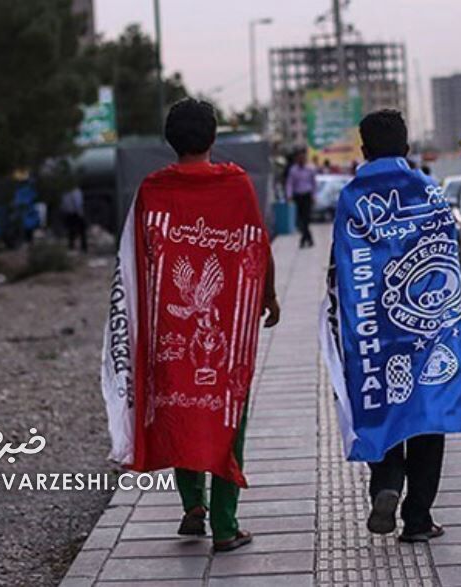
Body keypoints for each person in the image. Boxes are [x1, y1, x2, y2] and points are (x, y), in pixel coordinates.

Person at [101, 98, 280, 553]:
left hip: (169, 330)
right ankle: (224, 524)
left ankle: (192, 507)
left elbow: (134, 259)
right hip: (225, 333)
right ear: (214, 137)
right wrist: (269, 295)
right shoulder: (235, 185)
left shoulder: (152, 190)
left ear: (169, 141)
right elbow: (255, 244)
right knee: (223, 413)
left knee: (180, 405)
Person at [321, 110, 461, 543]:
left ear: (364, 150)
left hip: (374, 332)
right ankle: (419, 518)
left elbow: (342, 268)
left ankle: (386, 479)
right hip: (429, 329)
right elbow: (447, 256)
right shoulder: (430, 191)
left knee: (379, 406)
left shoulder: (353, 197)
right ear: (406, 148)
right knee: (428, 415)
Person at [285, 150, 317, 248]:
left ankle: (304, 239)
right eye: (299, 158)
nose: (301, 159)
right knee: (300, 219)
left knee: (306, 218)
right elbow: (290, 183)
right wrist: (289, 195)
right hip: (298, 196)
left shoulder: (310, 169)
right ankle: (308, 238)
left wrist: (314, 195)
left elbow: (314, 183)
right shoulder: (293, 170)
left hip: (307, 196)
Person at [60, 177, 87, 253]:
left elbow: (63, 204)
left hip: (68, 214)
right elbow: (78, 203)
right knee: (81, 231)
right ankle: (83, 247)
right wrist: (81, 213)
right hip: (76, 213)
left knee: (71, 231)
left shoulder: (65, 192)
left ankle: (71, 246)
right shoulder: (76, 191)